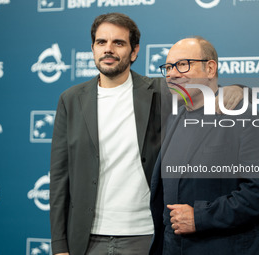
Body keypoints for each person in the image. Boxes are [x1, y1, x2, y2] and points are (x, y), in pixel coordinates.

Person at [50, 13, 244, 255]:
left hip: (145, 235)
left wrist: (237, 89)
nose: (108, 49)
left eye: (118, 43)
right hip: (87, 239)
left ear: (134, 52)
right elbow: (59, 178)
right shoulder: (71, 99)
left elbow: (206, 90)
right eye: (102, 42)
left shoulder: (161, 91)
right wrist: (59, 245)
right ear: (93, 48)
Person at [149, 37, 259, 255]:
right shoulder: (175, 116)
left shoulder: (241, 113)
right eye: (169, 67)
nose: (172, 74)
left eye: (183, 64)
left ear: (210, 68)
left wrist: (200, 217)